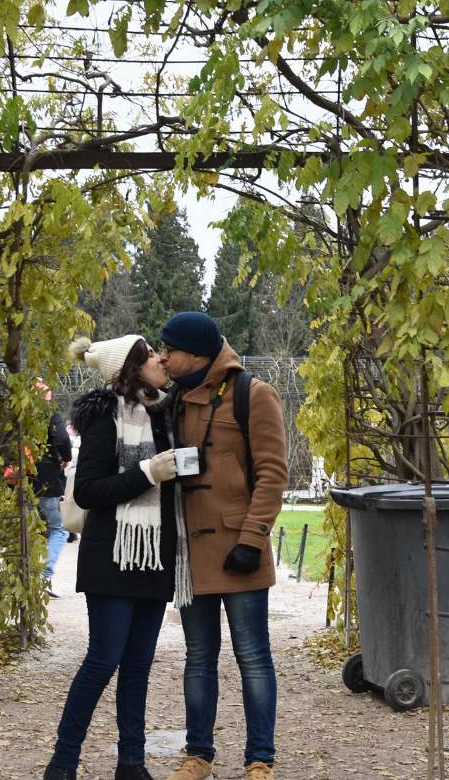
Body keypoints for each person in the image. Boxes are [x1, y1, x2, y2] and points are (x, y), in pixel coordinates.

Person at [42, 335, 192, 780]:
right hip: (112, 556)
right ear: (129, 367)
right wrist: (147, 472)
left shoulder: (163, 413)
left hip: (154, 556)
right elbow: (88, 490)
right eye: (150, 356)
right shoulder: (107, 417)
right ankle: (63, 761)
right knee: (104, 660)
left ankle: (132, 764)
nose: (161, 360)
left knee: (139, 668)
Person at [158, 313, 288, 780]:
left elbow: (273, 475)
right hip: (191, 554)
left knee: (253, 656)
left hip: (240, 550)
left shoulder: (252, 393)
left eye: (170, 349)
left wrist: (252, 540)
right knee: (198, 657)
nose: (164, 356)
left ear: (195, 352)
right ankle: (198, 756)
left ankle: (260, 760)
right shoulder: (169, 400)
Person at [32, 381, 73, 594]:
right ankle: (43, 575)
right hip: (47, 480)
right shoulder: (50, 413)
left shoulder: (18, 413)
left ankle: (20, 575)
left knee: (24, 529)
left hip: (19, 481)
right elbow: (62, 437)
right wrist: (66, 458)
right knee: (58, 529)